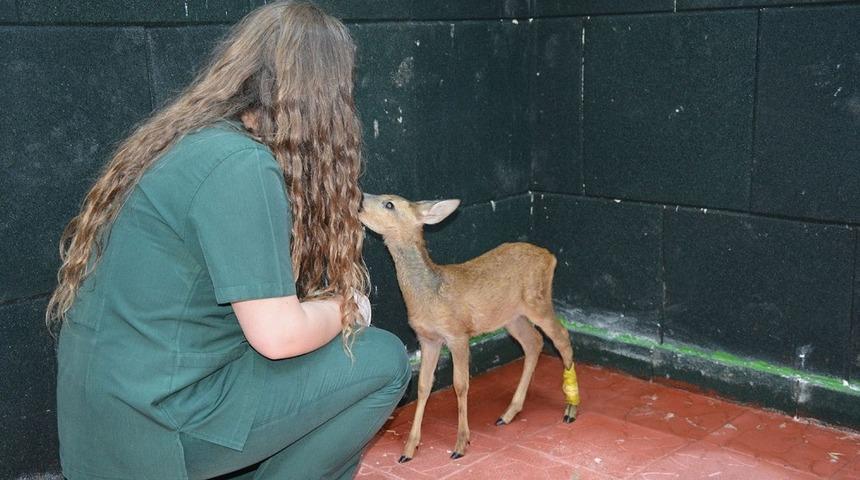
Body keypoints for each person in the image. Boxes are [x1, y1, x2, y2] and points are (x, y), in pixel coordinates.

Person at [46, 3, 411, 479]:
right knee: (381, 359)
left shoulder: (190, 139)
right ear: (322, 95)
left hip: (110, 423)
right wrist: (347, 306)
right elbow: (278, 337)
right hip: (156, 431)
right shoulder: (242, 167)